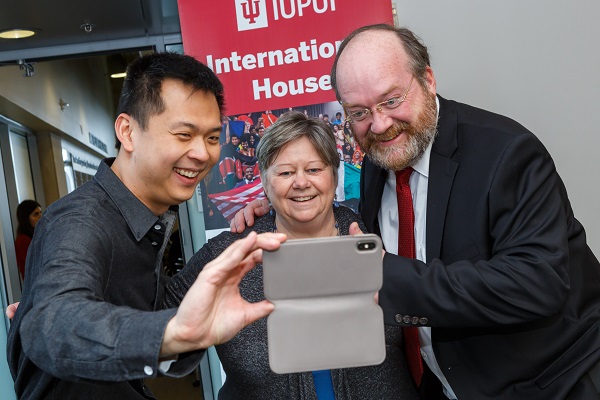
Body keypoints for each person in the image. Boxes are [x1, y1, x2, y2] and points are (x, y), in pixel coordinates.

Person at [232, 24, 600, 399]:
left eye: (391, 100)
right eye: (359, 112)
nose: (379, 124)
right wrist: (282, 207)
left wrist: (386, 275)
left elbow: (538, 282)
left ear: (427, 79)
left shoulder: (507, 154)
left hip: (550, 387)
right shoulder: (380, 161)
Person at [6, 52, 285, 400]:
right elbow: (51, 324)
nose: (202, 153)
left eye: (212, 138)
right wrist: (172, 333)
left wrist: (246, 234)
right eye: (184, 134)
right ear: (128, 132)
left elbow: (153, 302)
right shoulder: (82, 221)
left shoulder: (141, 219)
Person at [164, 111, 419, 400]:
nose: (300, 182)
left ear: (334, 175)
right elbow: (153, 324)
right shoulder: (229, 254)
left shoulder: (377, 234)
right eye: (285, 173)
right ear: (264, 181)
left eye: (314, 169)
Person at [13, 199, 42, 280]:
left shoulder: (35, 236)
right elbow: (34, 267)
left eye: (40, 212)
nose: (40, 217)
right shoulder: (23, 240)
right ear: (26, 218)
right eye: (36, 214)